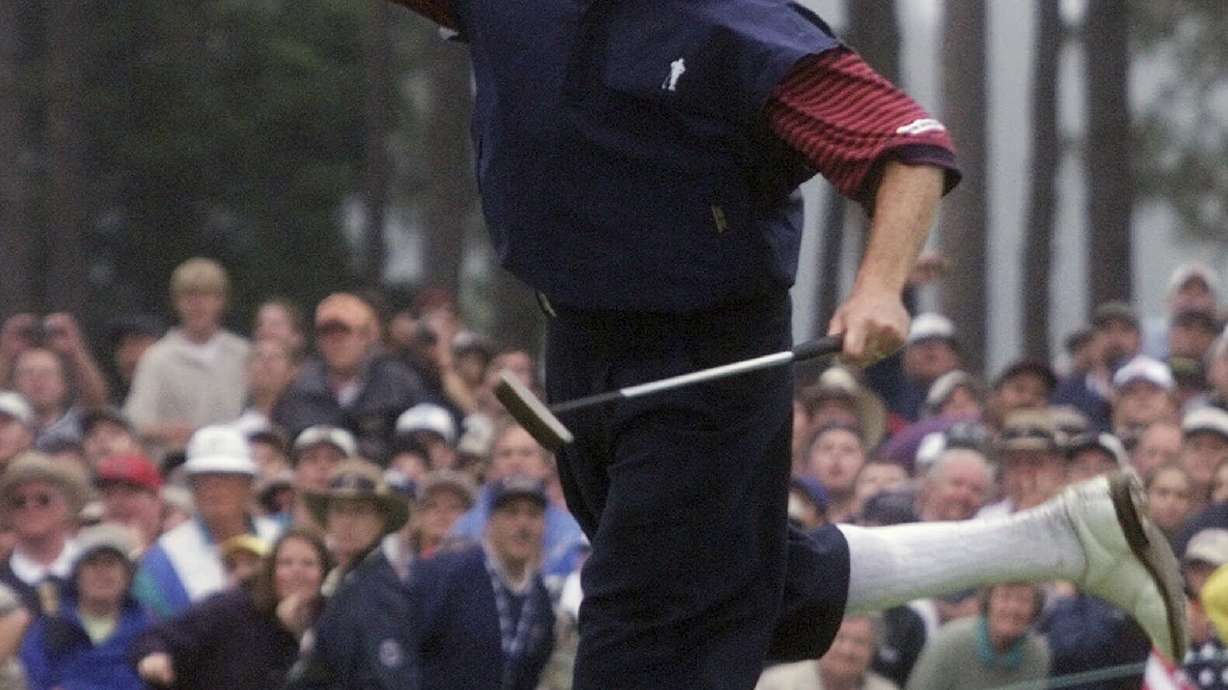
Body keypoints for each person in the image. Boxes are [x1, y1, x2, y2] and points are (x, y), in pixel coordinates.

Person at [384, 4, 1185, 689]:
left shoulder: (730, 22)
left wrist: (878, 285)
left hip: (703, 360)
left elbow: (907, 148)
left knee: (643, 629)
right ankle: (1065, 539)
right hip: (580, 339)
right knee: (742, 587)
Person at [136, 528, 331, 690]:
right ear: (271, 570)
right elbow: (159, 638)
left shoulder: (334, 619)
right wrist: (155, 656)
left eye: (308, 564)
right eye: (286, 563)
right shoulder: (231, 609)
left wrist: (299, 634)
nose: (297, 572)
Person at [412, 477, 555, 690]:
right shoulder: (448, 573)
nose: (523, 525)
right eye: (512, 513)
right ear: (490, 522)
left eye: (533, 515)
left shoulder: (540, 596)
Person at [286, 460, 416, 690]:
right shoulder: (345, 581)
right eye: (339, 511)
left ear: (381, 520)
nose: (347, 522)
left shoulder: (380, 594)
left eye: (360, 511)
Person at [133, 425, 281, 619]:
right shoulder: (163, 559)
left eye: (225, 477)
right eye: (203, 479)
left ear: (248, 485)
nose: (213, 487)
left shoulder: (281, 539)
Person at [273, 293, 426, 463]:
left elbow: (418, 445)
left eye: (345, 334)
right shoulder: (299, 389)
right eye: (327, 335)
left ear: (367, 337)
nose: (336, 342)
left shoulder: (398, 383)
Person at [123, 258, 251, 452]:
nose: (197, 305)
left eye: (206, 295)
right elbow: (134, 423)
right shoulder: (157, 359)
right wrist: (172, 432)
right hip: (177, 466)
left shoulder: (243, 354)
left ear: (221, 301)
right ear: (176, 302)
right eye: (189, 296)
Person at [18, 523, 149, 690]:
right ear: (76, 573)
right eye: (92, 563)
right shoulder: (49, 630)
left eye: (110, 563)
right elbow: (34, 677)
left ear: (128, 575)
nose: (101, 572)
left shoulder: (148, 629)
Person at [906, 584, 1050, 690]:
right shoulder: (950, 642)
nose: (1013, 608)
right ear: (989, 602)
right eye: (1005, 597)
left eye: (1023, 600)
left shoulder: (1037, 654)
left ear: (1035, 609)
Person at [0, 452, 90, 615]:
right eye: (19, 502)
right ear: (7, 513)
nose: (31, 507)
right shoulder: (2, 579)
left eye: (43, 499)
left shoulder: (98, 566)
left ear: (66, 505)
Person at [755, 614, 897, 690]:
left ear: (873, 651)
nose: (847, 650)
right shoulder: (777, 683)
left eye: (859, 642)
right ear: (822, 640)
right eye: (840, 638)